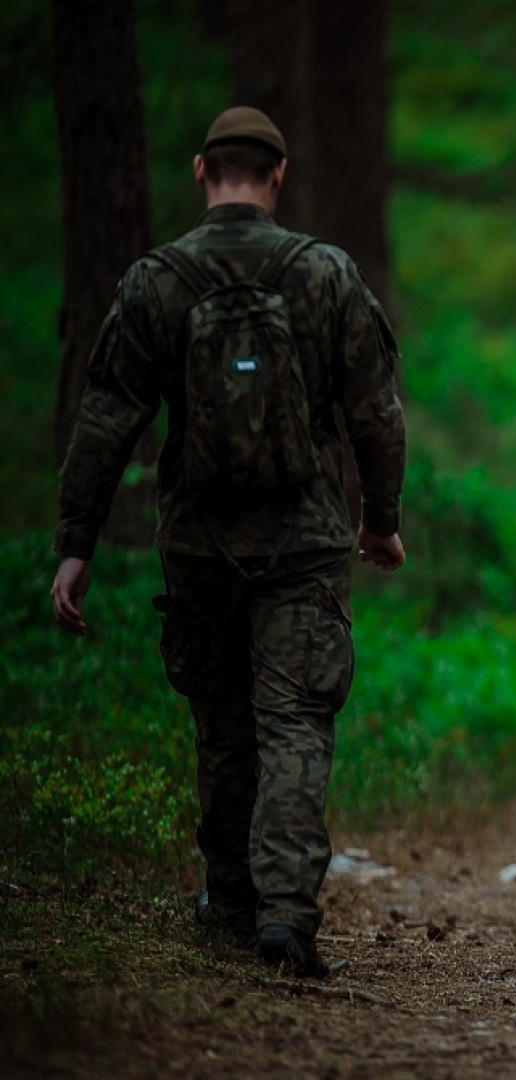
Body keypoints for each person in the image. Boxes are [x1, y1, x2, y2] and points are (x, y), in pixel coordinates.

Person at [51, 107, 407, 979]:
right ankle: (285, 918)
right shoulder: (324, 274)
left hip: (200, 542)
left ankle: (231, 899)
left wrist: (76, 543)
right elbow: (376, 412)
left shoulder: (157, 280)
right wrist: (382, 520)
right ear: (277, 177)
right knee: (294, 726)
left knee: (220, 723)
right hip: (305, 542)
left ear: (203, 170)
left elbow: (104, 420)